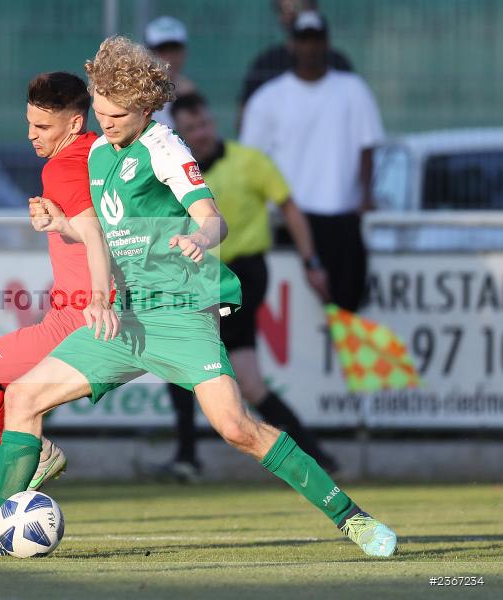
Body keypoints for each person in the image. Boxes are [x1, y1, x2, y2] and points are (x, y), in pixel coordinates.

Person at [0, 36, 397, 559]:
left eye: (117, 115)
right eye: (100, 111)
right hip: (124, 319)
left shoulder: (164, 147)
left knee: (236, 428)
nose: (106, 123)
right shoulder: (101, 153)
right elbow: (107, 233)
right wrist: (62, 227)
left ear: (145, 108)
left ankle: (353, 518)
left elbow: (212, 217)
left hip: (179, 314)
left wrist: (200, 238)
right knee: (25, 398)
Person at [0, 71, 116, 488]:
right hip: (91, 315)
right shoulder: (99, 153)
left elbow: (95, 233)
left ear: (74, 123)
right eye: (29, 123)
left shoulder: (62, 168)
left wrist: (97, 295)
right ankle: (13, 485)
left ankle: (23, 468)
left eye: (42, 126)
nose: (31, 135)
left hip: (77, 321)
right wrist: (58, 222)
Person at [157, 92, 337, 482]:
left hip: (242, 275)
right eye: (191, 128)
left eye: (205, 124)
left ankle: (187, 457)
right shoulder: (175, 171)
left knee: (181, 356)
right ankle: (318, 458)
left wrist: (311, 261)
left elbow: (289, 208)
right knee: (251, 383)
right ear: (179, 134)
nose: (202, 133)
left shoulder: (249, 161)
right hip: (202, 275)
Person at [240, 11, 384, 312]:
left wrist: (365, 196)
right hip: (288, 221)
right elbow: (251, 163)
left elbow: (367, 147)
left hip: (343, 217)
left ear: (327, 43)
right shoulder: (268, 99)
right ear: (291, 45)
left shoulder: (353, 89)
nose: (310, 47)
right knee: (298, 311)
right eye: (304, 40)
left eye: (316, 39)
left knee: (346, 306)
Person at [238, 0, 354, 119]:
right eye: (283, 9)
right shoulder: (265, 65)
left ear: (313, 8)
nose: (290, 14)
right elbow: (244, 118)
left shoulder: (339, 65)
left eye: (296, 7)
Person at [145, 15, 197, 130]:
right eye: (163, 50)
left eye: (175, 49)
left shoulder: (189, 93)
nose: (170, 57)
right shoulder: (136, 93)